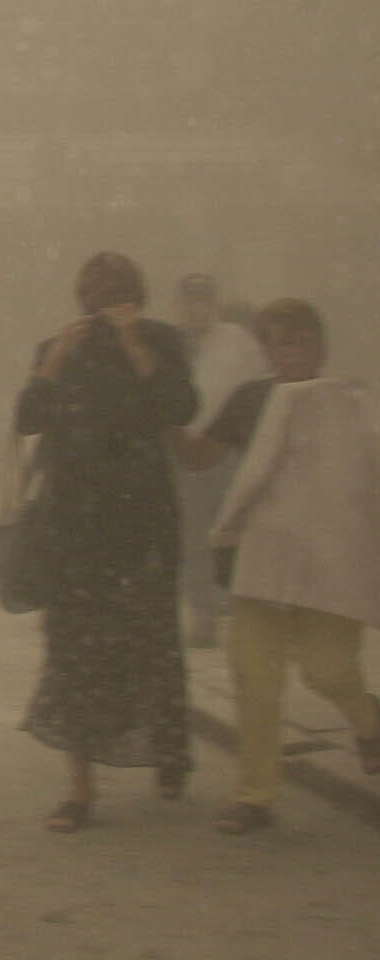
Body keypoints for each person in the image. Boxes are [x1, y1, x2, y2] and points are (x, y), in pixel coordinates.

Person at [179, 299, 380, 833]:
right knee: (255, 677)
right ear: (267, 352)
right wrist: (164, 409)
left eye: (302, 342)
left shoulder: (349, 402)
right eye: (281, 343)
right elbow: (200, 456)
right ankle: (256, 795)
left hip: (330, 563)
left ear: (321, 348)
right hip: (262, 562)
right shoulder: (251, 400)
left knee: (328, 669)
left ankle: (369, 721)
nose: (293, 354)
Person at [15, 251, 198, 832]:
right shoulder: (58, 348)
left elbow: (179, 406)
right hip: (74, 526)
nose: (104, 306)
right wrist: (56, 361)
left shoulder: (161, 340)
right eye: (93, 296)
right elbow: (26, 419)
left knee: (152, 645)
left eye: (116, 295)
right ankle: (80, 787)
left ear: (136, 298)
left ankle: (169, 750)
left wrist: (137, 343)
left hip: (141, 522)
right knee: (73, 654)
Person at [169, 273, 267, 648]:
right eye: (190, 300)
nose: (197, 308)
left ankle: (240, 605)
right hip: (183, 453)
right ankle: (203, 610)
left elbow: (258, 387)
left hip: (228, 450)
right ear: (179, 304)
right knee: (194, 533)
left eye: (203, 299)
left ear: (213, 302)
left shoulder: (236, 341)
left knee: (234, 529)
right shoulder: (169, 343)